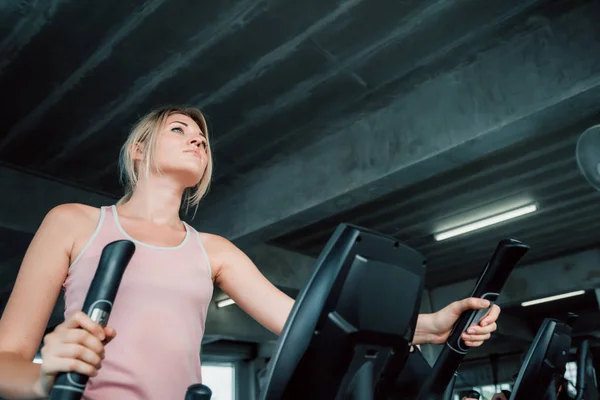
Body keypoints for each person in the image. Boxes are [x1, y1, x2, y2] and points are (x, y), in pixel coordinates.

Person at [0, 106, 502, 399]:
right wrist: (46, 377)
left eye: (201, 138)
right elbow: (6, 362)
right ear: (138, 149)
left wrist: (433, 325)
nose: (196, 139)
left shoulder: (213, 250)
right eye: (178, 130)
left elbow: (310, 321)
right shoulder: (75, 222)